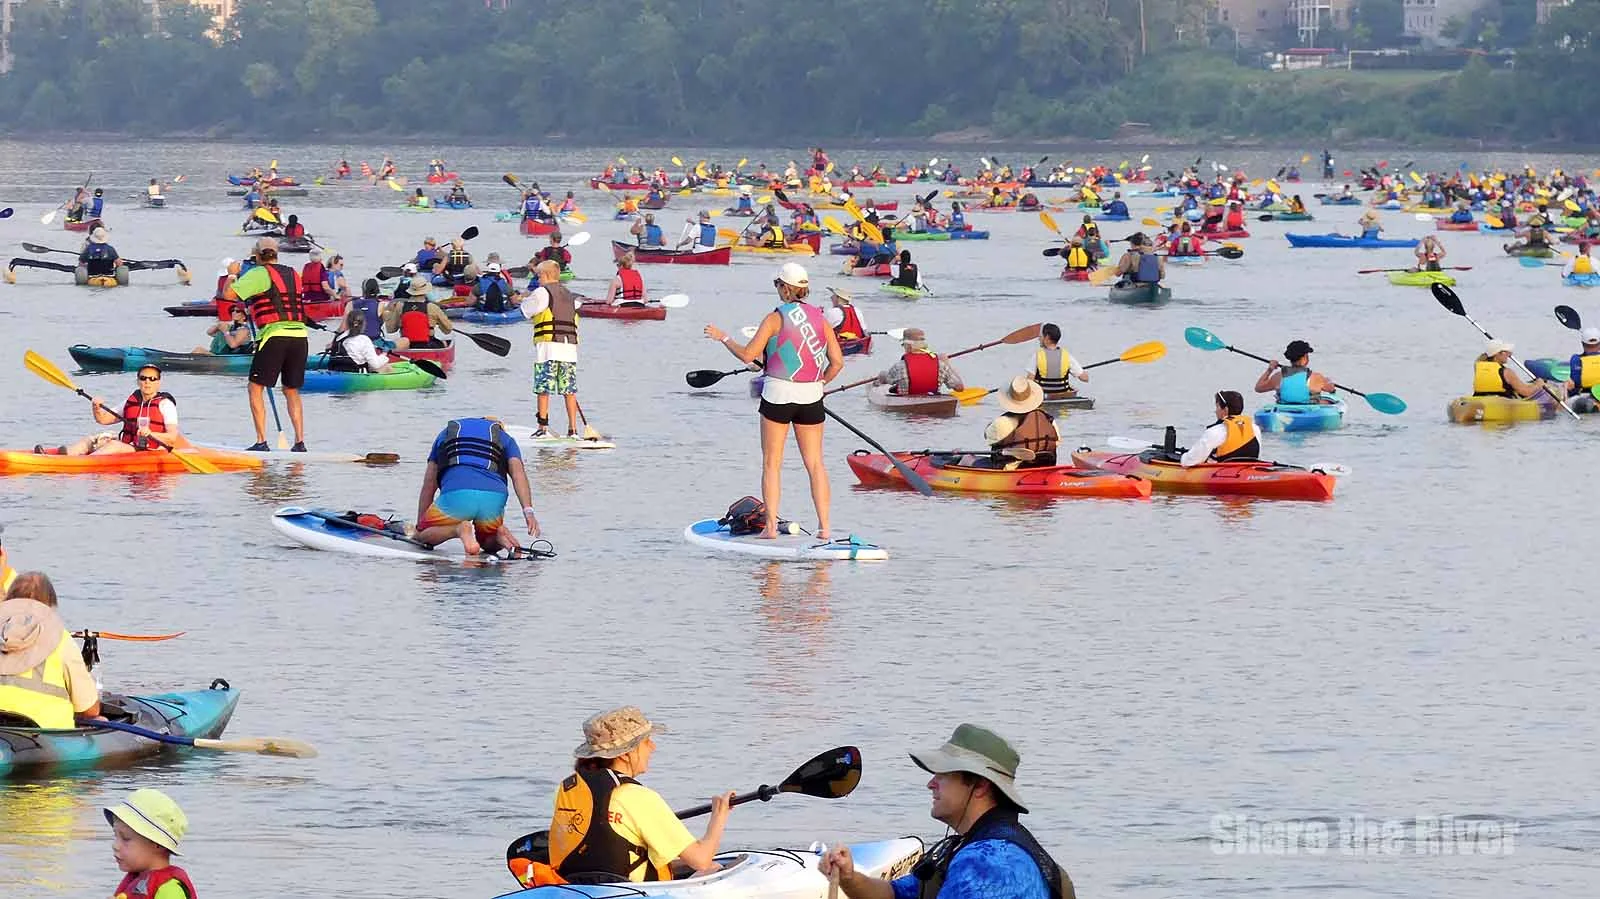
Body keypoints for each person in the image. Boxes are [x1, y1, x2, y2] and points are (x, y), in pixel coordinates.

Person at [819, 724, 1071, 899]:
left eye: (943, 774)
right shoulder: (978, 846)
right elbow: (893, 894)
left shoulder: (987, 863)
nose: (931, 783)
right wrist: (849, 877)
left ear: (980, 785)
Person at [703, 264, 841, 538]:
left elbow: (747, 356)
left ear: (785, 288)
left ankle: (769, 529)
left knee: (772, 463)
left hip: (778, 395)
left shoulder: (775, 318)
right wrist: (820, 383)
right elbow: (837, 363)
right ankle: (825, 528)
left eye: (778, 284)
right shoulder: (821, 319)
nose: (777, 289)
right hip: (811, 396)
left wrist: (724, 338)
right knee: (815, 463)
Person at [546, 707, 734, 884]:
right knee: (715, 868)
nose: (652, 747)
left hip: (577, 885)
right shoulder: (638, 798)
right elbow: (700, 860)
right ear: (625, 754)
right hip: (630, 890)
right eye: (646, 741)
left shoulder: (568, 788)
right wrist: (719, 816)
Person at [225, 237, 309, 452]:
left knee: (255, 387)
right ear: (276, 254)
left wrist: (232, 273)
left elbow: (228, 294)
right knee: (291, 390)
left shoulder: (259, 273)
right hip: (300, 336)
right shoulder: (294, 274)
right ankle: (300, 442)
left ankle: (261, 441)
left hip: (275, 336)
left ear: (258, 256)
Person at [415, 417, 539, 555]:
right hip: (493, 498)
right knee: (487, 543)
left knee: (423, 537)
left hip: (457, 495)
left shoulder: (445, 434)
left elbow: (429, 484)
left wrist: (420, 527)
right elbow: (518, 475)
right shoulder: (506, 439)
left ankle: (459, 529)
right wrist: (528, 512)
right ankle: (499, 535)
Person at [0, 590, 101, 729]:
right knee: (101, 719)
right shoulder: (61, 639)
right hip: (48, 736)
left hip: (6, 734)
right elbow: (90, 710)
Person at [49, 365, 182, 457]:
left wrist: (151, 433)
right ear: (138, 381)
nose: (147, 382)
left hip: (151, 449)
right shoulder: (131, 401)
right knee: (93, 439)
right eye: (143, 378)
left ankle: (80, 463)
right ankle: (66, 454)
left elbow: (172, 438)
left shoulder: (165, 404)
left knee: (114, 445)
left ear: (158, 382)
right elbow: (103, 419)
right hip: (130, 444)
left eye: (152, 379)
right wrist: (96, 407)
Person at [520, 261, 582, 438]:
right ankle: (573, 430)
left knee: (543, 388)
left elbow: (526, 310)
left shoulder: (541, 292)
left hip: (548, 347)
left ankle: (543, 428)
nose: (538, 279)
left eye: (539, 276)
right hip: (569, 348)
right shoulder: (571, 296)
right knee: (569, 390)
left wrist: (521, 299)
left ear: (546, 275)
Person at [106, 788, 195, 899]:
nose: (115, 846)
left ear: (157, 844)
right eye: (116, 836)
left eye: (126, 838)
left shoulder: (170, 888)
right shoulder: (136, 878)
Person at [984, 377, 1060, 468]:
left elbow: (988, 438)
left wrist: (990, 426)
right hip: (1045, 468)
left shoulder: (1002, 422)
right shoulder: (1049, 420)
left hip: (1011, 471)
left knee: (967, 459)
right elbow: (1056, 443)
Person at [1180, 390, 1260, 467]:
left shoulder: (1214, 431)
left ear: (1225, 410)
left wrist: (1183, 457)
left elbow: (1189, 461)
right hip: (1248, 470)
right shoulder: (1255, 429)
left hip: (1222, 473)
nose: (1215, 411)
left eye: (1217, 407)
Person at [877, 328, 965, 396]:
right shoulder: (941, 365)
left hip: (906, 409)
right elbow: (959, 387)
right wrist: (947, 363)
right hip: (932, 404)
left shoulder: (900, 366)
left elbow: (886, 379)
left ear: (908, 346)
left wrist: (881, 375)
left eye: (903, 345)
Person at [1254, 340, 1337, 405]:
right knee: (1329, 401)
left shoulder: (1279, 376)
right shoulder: (1316, 377)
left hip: (1285, 410)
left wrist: (1270, 370)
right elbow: (1331, 389)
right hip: (1310, 411)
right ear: (1305, 358)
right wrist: (1329, 382)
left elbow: (1258, 388)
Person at [384, 276, 453, 350]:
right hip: (428, 345)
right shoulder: (432, 307)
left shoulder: (400, 306)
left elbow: (390, 330)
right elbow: (448, 330)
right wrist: (437, 323)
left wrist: (389, 314)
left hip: (406, 345)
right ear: (426, 291)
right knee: (445, 343)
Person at [1474, 339, 1553, 400]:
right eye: (1506, 352)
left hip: (1480, 399)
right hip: (1502, 402)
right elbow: (1526, 392)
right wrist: (1539, 384)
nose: (1509, 354)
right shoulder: (1507, 372)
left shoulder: (1478, 367)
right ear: (1497, 354)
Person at [327, 309, 400, 374]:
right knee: (386, 367)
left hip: (335, 369)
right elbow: (375, 364)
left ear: (347, 322)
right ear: (363, 324)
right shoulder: (364, 339)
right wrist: (384, 354)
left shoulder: (339, 337)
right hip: (355, 372)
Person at [1030, 323, 1087, 400]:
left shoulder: (1037, 356)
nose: (1039, 339)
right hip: (1062, 397)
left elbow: (1029, 382)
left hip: (1042, 397)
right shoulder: (1067, 356)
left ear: (1047, 337)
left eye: (1041, 336)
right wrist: (1073, 371)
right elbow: (1085, 378)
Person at [1563, 327, 1600, 411]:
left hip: (1582, 396)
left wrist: (1566, 389)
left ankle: (1593, 406)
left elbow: (1574, 384)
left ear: (1582, 344)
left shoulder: (1576, 359)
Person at [348, 277, 387, 344]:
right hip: (374, 341)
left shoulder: (351, 304)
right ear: (377, 290)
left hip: (355, 341)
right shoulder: (382, 305)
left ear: (363, 290)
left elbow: (343, 328)